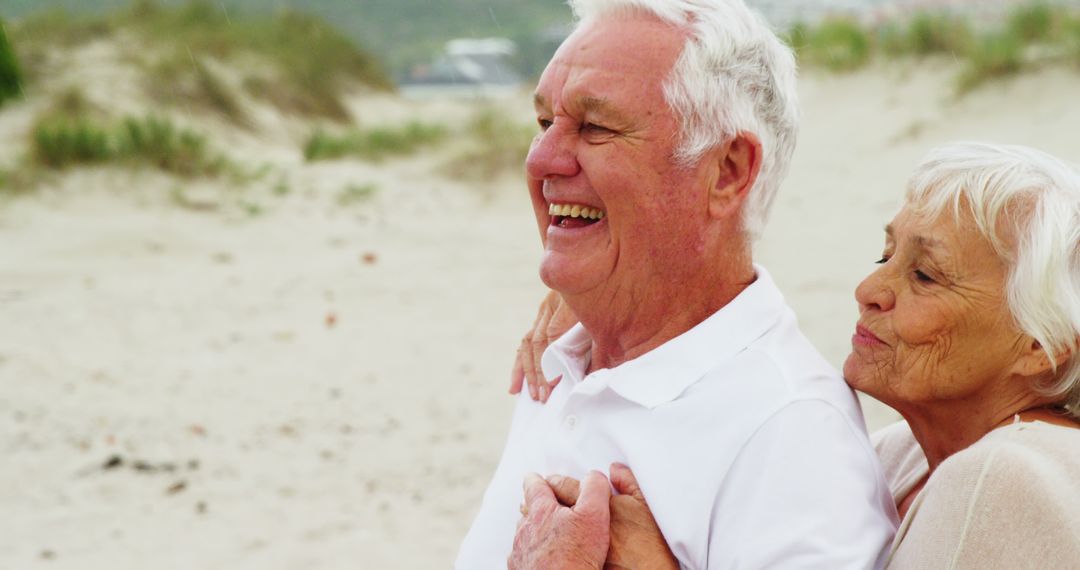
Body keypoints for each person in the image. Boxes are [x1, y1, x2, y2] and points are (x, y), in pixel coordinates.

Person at [456, 1, 897, 568]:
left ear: (728, 171)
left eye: (595, 127)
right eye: (544, 123)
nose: (541, 160)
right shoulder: (565, 354)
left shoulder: (791, 438)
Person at [510, 142, 1080, 568]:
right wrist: (609, 297)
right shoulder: (910, 455)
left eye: (926, 275)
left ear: (1044, 346)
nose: (870, 289)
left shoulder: (1001, 478)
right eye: (884, 254)